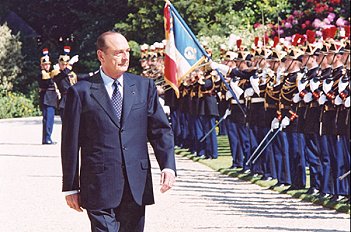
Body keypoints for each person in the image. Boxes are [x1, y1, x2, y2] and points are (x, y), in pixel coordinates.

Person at [61, 31, 176, 232]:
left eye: (127, 52)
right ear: (101, 56)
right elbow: (70, 143)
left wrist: (168, 166)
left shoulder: (143, 87)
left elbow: (160, 130)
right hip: (99, 185)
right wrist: (70, 186)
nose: (125, 57)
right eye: (117, 53)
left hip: (136, 185)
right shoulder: (81, 92)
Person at [51, 46, 79, 120]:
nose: (64, 66)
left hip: (73, 100)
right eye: (62, 64)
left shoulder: (69, 73)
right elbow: (63, 74)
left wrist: (92, 74)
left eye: (66, 64)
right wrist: (70, 64)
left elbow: (80, 77)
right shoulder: (56, 74)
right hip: (64, 101)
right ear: (59, 64)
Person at [38, 48, 59, 145]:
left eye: (48, 64)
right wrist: (55, 72)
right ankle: (47, 138)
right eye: (45, 64)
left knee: (50, 119)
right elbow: (47, 81)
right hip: (46, 98)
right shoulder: (42, 73)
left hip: (51, 98)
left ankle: (47, 137)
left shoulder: (49, 73)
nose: (47, 66)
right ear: (42, 65)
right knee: (48, 119)